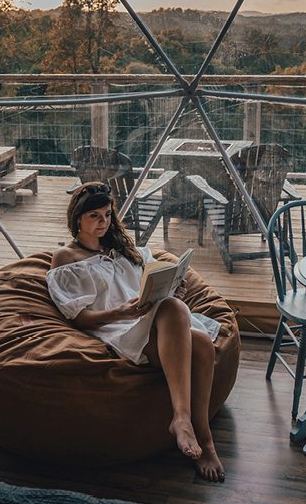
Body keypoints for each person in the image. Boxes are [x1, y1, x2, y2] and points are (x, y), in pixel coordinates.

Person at [47, 182, 226, 481]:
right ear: (77, 218)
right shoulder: (66, 258)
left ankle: (202, 434)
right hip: (119, 329)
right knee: (178, 315)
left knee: (202, 342)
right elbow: (78, 318)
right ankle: (184, 423)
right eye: (94, 216)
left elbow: (153, 288)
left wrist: (173, 286)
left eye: (107, 214)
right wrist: (121, 312)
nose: (103, 222)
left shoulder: (125, 249)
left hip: (153, 321)